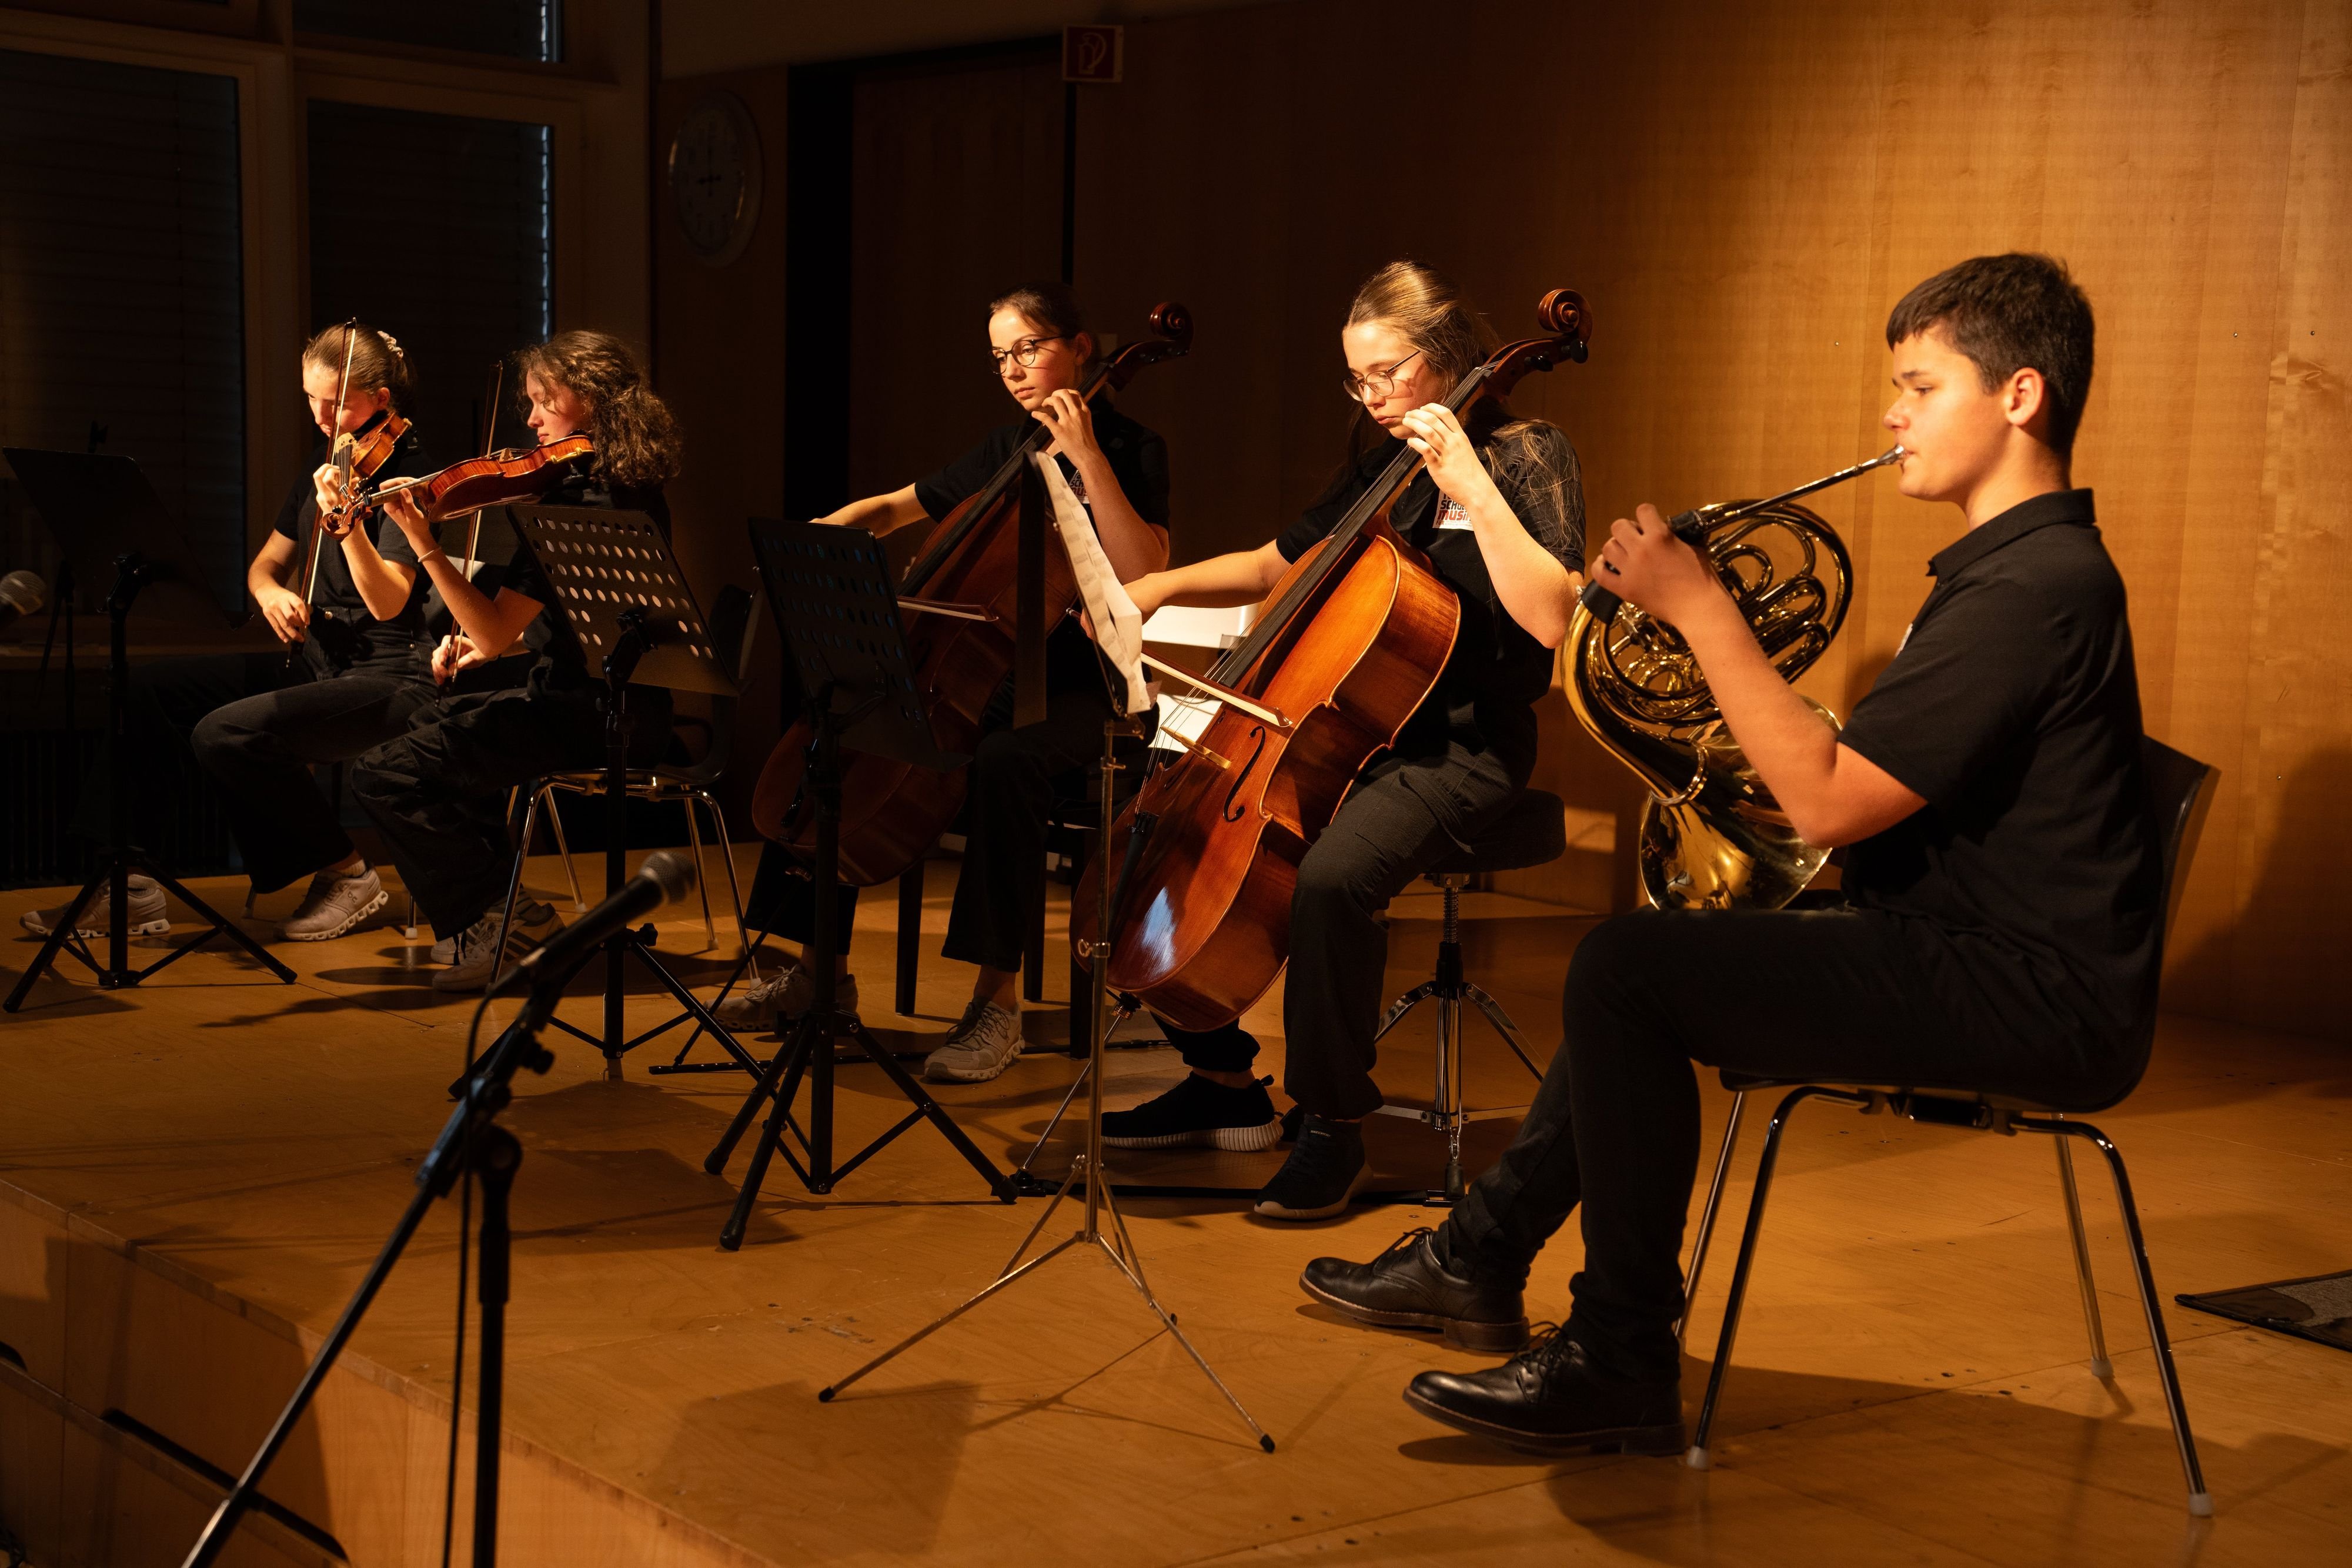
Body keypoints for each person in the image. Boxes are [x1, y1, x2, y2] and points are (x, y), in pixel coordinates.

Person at [1301, 253, 2159, 1458]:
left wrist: (1701, 608)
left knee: (1624, 970)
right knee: (1648, 960)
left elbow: (1826, 802)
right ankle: (1478, 1258)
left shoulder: (2034, 588)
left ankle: (1614, 1354)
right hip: (1966, 941)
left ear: (2018, 396)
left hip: (2021, 988)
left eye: (1919, 387)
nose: (1892, 415)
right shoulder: (2016, 573)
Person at [1105, 260, 1586, 1219]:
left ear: (1446, 356)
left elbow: (1553, 617)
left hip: (1462, 746)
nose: (1370, 396)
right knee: (1163, 836)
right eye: (1356, 379)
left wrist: (1471, 484)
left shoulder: (1528, 452)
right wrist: (1151, 588)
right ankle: (1219, 1077)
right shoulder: (1381, 462)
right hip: (1352, 730)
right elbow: (1273, 564)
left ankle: (1332, 1125)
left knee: (1328, 880)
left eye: (1386, 373)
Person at [721, 282, 1171, 1085]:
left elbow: (1144, 570)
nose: (1013, 369)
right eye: (1000, 357)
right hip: (982, 667)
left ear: (1079, 347)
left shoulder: (1135, 449)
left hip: (1083, 685)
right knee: (845, 723)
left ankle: (995, 1005)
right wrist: (823, 534)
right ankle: (819, 972)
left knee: (1007, 758)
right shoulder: (1006, 447)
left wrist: (1088, 456)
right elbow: (895, 508)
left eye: (1028, 348)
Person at [21, 322, 437, 944]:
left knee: (228, 733)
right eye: (310, 399)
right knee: (149, 689)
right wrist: (272, 594)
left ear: (381, 398)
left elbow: (388, 601)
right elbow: (265, 567)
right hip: (317, 660)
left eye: (337, 404)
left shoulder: (412, 475)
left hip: (391, 673)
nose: (321, 418)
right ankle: (130, 883)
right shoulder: (325, 466)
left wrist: (347, 521)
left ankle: (346, 871)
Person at [343, 330, 684, 992]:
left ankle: (492, 921)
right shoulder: (627, 487)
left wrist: (423, 543)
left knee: (385, 772)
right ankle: (508, 915)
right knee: (428, 734)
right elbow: (581, 620)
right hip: (617, 704)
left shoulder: (578, 502)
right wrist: (495, 641)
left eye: (541, 401)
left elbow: (496, 631)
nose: (528, 421)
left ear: (588, 400)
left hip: (592, 715)